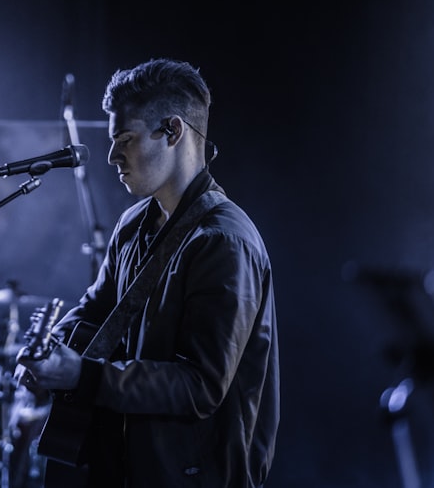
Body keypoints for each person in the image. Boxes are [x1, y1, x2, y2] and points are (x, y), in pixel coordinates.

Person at [15, 58, 279, 487]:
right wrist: (50, 350)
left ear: (172, 131)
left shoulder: (224, 242)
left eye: (125, 138)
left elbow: (200, 386)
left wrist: (83, 375)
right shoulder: (134, 225)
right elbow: (95, 311)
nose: (112, 155)